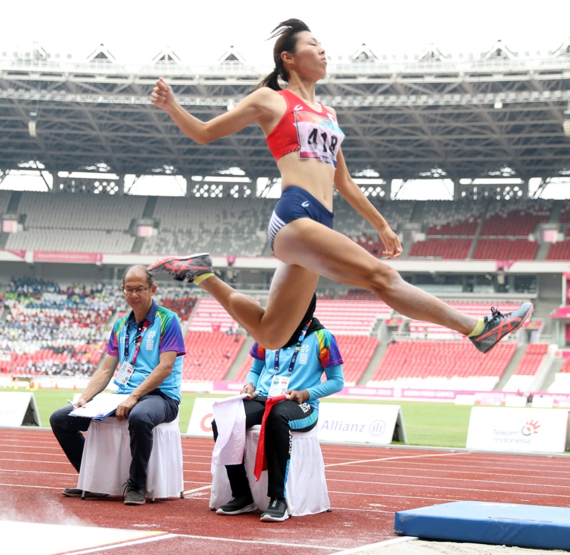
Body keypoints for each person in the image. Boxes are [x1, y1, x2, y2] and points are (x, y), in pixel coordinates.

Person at [148, 19, 532, 355]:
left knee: (272, 334)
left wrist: (381, 225)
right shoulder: (271, 100)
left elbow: (343, 181)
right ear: (288, 58)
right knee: (382, 277)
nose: (323, 51)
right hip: (295, 215)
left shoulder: (328, 115)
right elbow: (204, 133)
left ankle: (201, 273)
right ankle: (478, 329)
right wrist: (172, 107)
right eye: (313, 45)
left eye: (322, 45)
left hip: (321, 220)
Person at [49, 265, 185, 506]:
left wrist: (133, 397)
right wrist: (84, 398)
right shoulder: (120, 325)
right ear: (123, 290)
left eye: (140, 289)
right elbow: (105, 369)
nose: (134, 294)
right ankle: (93, 480)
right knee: (61, 419)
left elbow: (165, 367)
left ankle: (136, 484)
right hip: (122, 395)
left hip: (161, 396)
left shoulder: (168, 320)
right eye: (129, 289)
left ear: (152, 289)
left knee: (140, 417)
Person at [211, 294, 343, 523]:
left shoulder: (323, 337)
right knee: (224, 420)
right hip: (263, 399)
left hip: (300, 405)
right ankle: (242, 494)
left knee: (277, 416)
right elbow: (255, 369)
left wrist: (305, 394)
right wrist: (250, 384)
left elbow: (337, 381)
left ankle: (278, 499)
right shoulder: (267, 332)